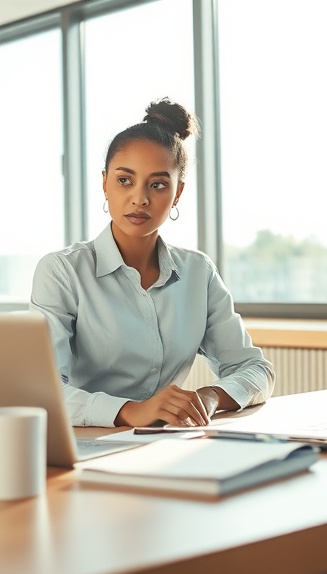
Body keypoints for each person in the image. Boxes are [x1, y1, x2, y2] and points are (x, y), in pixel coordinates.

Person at [29, 98, 274, 428]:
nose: (140, 198)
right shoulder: (62, 271)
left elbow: (256, 370)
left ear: (177, 193)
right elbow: (43, 392)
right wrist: (130, 410)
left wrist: (210, 396)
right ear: (104, 183)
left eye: (158, 185)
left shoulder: (198, 274)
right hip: (82, 446)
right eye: (125, 180)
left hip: (165, 445)